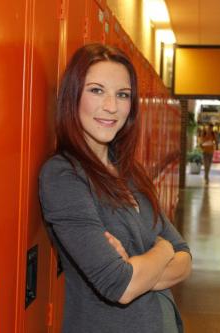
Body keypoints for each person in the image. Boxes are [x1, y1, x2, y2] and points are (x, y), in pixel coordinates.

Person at [38, 44, 192, 333]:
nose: (111, 106)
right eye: (97, 90)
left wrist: (140, 267)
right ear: (73, 96)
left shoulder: (129, 172)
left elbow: (185, 258)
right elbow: (120, 285)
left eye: (122, 95)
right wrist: (163, 249)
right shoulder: (63, 176)